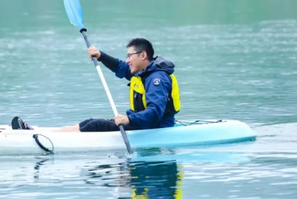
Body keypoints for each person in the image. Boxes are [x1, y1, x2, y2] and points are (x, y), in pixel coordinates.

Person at [13, 38, 180, 132]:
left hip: (155, 128)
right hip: (144, 124)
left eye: (130, 56)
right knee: (90, 122)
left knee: (95, 125)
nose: (128, 60)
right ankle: (40, 131)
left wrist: (128, 119)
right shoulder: (143, 72)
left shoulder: (156, 79)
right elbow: (121, 68)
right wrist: (100, 55)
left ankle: (39, 134)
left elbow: (154, 113)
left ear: (143, 55)